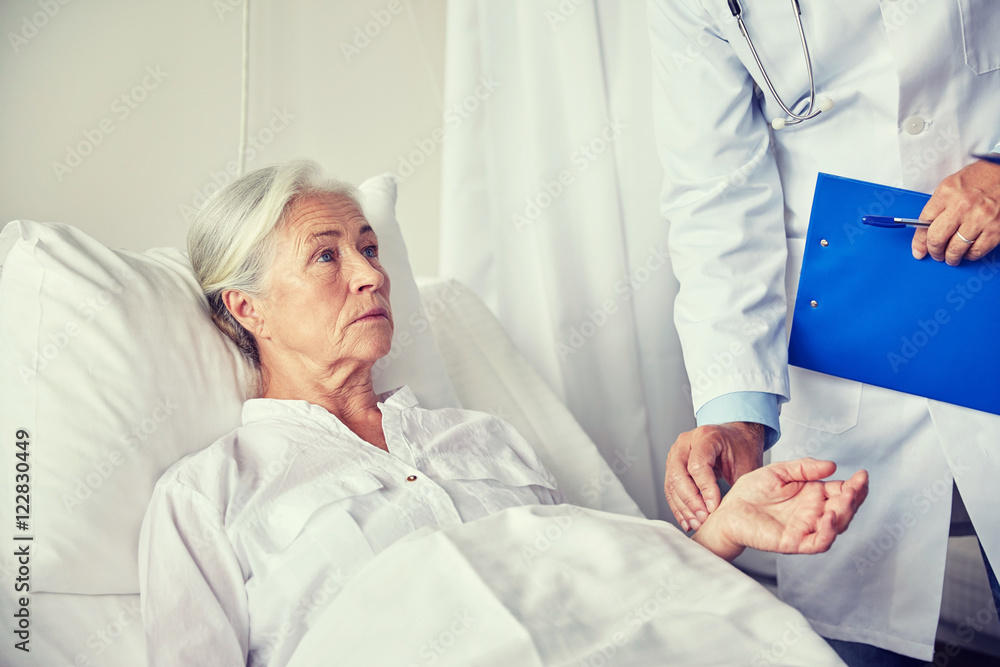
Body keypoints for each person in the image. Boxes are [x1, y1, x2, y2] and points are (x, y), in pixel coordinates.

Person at [138, 160, 868, 666]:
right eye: (327, 257)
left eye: (369, 247)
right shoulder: (208, 496)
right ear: (248, 307)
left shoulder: (482, 438)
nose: (371, 274)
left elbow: (606, 602)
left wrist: (719, 532)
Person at [647, 1, 1000, 665]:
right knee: (862, 636)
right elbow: (714, 201)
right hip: (846, 342)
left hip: (987, 300)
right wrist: (735, 416)